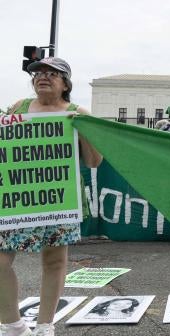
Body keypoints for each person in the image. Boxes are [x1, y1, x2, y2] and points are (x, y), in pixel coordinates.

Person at [0, 57, 103, 336]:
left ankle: (45, 325)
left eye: (51, 73)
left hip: (59, 200)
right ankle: (13, 324)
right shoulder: (17, 109)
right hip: (18, 199)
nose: (42, 77)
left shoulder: (77, 112)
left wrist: (84, 130)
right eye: (37, 74)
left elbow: (94, 162)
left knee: (55, 261)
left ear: (65, 83)